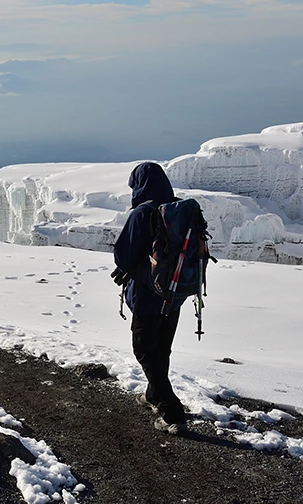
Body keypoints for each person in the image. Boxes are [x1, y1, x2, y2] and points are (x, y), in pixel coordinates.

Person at [112, 162, 188, 435]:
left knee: (144, 350)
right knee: (161, 349)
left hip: (148, 296)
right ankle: (153, 395)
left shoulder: (144, 212)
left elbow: (124, 255)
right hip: (175, 294)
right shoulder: (178, 210)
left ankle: (172, 412)